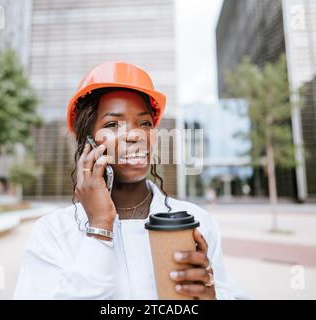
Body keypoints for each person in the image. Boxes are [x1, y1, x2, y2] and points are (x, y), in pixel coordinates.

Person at [14, 61, 245, 300]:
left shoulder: (197, 221)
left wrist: (211, 298)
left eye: (144, 123)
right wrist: (100, 227)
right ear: (88, 142)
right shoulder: (53, 232)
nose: (135, 135)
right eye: (112, 124)